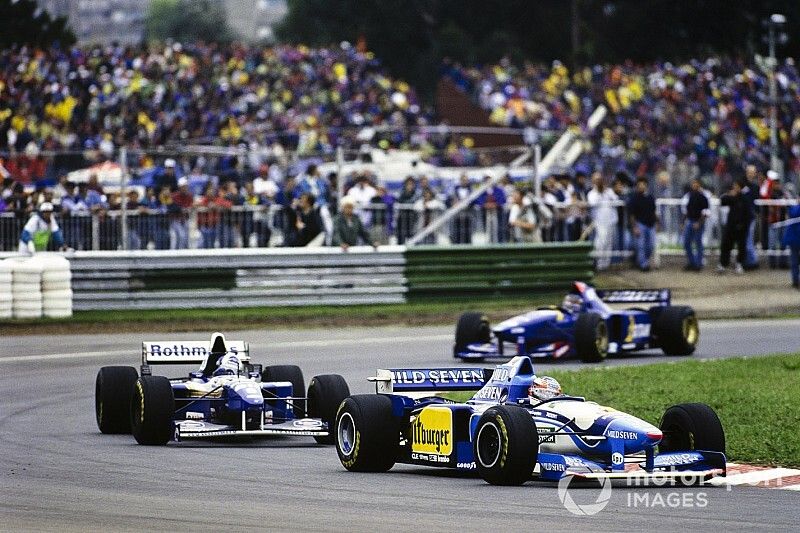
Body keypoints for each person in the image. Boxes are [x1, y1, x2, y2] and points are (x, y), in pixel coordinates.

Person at [718, 180, 752, 274]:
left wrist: (744, 225)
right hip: (730, 226)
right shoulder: (731, 197)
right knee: (726, 245)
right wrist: (729, 194)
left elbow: (748, 214)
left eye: (736, 186)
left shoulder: (745, 199)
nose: (735, 188)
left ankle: (739, 264)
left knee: (741, 247)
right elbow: (723, 201)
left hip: (741, 227)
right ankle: (723, 264)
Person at [586, 172, 618, 270]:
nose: (598, 181)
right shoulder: (591, 193)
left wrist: (605, 191)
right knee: (600, 242)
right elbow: (592, 203)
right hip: (599, 221)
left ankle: (605, 264)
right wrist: (600, 193)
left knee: (609, 243)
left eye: (600, 179)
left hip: (611, 220)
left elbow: (616, 200)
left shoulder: (609, 191)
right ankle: (598, 263)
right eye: (596, 180)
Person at [627, 177, 658, 271]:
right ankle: (643, 264)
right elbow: (631, 215)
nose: (641, 187)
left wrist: (657, 223)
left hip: (650, 224)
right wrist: (635, 227)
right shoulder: (634, 199)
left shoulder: (650, 198)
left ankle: (642, 261)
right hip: (640, 224)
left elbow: (654, 211)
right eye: (639, 185)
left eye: (643, 185)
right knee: (640, 246)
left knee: (651, 245)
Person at [680, 178, 709, 271]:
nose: (695, 185)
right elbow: (686, 211)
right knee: (686, 243)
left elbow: (705, 212)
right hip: (690, 221)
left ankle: (698, 264)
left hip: (698, 222)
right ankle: (692, 262)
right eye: (693, 184)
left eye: (696, 184)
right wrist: (683, 222)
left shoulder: (703, 197)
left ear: (699, 185)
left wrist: (699, 223)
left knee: (698, 243)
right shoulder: (690, 196)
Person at [781, 187, 800, 289]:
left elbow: (793, 213)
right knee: (794, 261)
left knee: (794, 261)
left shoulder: (796, 208)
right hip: (795, 239)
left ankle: (795, 280)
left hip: (794, 239)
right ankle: (796, 280)